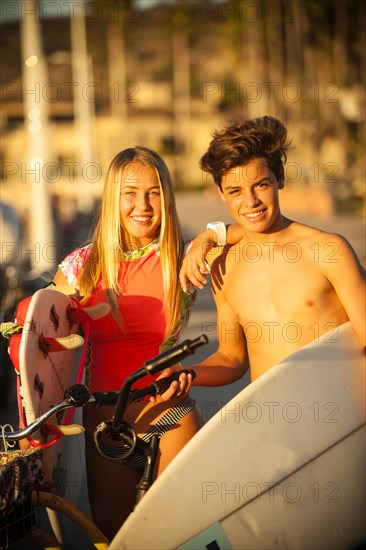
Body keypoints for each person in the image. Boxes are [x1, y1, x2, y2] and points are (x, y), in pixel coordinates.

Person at [53, 147, 204, 540]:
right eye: (131, 193)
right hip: (107, 425)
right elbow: (41, 336)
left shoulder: (180, 259)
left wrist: (214, 234)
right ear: (113, 198)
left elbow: (250, 235)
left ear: (166, 199)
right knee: (118, 539)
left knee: (182, 535)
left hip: (170, 414)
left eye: (155, 193)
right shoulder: (79, 269)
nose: (144, 205)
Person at [161, 115, 365, 399]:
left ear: (279, 179)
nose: (251, 202)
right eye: (235, 191)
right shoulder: (225, 265)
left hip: (336, 413)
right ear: (220, 193)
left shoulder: (328, 250)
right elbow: (231, 359)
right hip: (271, 421)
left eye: (261, 185)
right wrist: (189, 374)